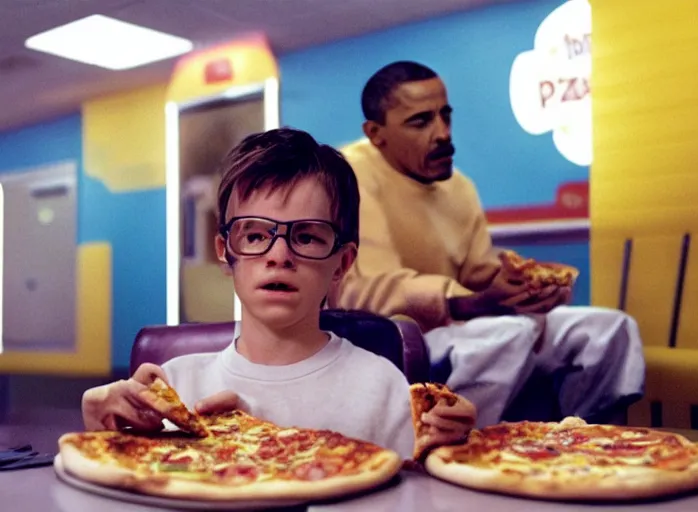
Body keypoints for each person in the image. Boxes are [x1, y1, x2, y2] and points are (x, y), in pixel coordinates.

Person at [81, 127, 475, 459]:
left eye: (306, 236)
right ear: (225, 251)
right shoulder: (174, 389)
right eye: (255, 235)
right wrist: (105, 438)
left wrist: (452, 450)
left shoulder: (384, 387)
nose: (279, 255)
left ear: (341, 262)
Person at [329, 61, 645, 428]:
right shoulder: (349, 176)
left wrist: (524, 289)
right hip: (393, 338)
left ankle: (582, 442)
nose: (442, 133)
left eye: (445, 116)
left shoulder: (460, 186)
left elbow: (478, 272)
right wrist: (467, 302)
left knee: (609, 328)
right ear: (375, 133)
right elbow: (364, 292)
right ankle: (455, 450)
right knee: (510, 333)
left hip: (465, 328)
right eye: (421, 122)